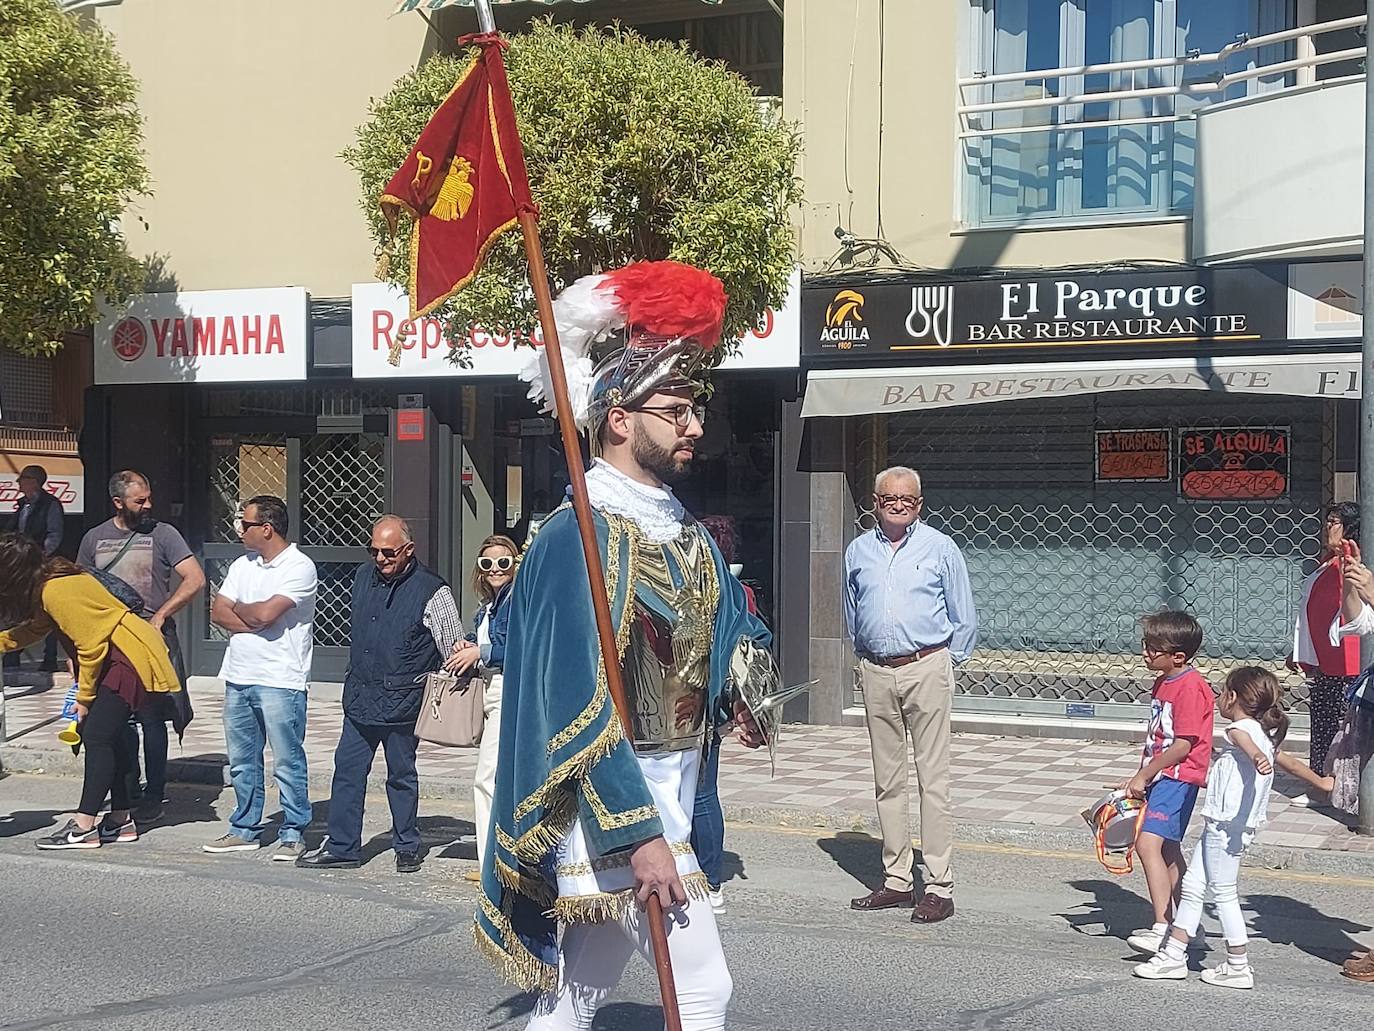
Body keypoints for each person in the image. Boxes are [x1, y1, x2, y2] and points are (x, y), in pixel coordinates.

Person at [473, 261, 772, 1030]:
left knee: (578, 990)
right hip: (616, 807)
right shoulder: (576, 535)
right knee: (705, 989)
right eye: (676, 410)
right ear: (618, 417)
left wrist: (747, 675)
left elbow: (729, 622)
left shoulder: (685, 529)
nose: (695, 426)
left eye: (693, 410)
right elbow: (573, 697)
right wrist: (637, 833)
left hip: (675, 781)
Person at [842, 466, 977, 924]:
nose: (899, 505)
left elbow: (964, 614)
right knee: (888, 782)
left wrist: (946, 663)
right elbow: (851, 609)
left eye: (908, 499)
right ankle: (897, 880)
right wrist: (865, 658)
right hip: (877, 670)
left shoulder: (940, 548)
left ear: (919, 504)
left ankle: (939, 885)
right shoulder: (858, 551)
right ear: (874, 502)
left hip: (927, 666)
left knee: (933, 782)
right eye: (889, 498)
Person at [297, 515, 460, 874]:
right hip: (360, 697)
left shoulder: (433, 589)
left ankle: (407, 846)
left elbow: (451, 648)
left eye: (389, 552)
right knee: (348, 772)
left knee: (401, 775)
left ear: (409, 550)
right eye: (374, 551)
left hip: (403, 700)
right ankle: (342, 847)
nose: (381, 559)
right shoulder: (361, 578)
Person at [0, 533, 180, 849]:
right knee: (112, 737)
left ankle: (83, 826)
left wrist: (83, 698)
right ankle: (120, 820)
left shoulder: (56, 589)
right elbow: (34, 630)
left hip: (127, 658)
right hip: (123, 655)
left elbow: (90, 645)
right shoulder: (52, 583)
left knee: (96, 736)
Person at [1134, 667, 1285, 989]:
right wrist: (1320, 782)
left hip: (1226, 827)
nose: (1217, 698)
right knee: (1192, 886)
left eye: (1222, 692)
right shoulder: (1264, 734)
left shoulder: (1240, 730)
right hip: (1224, 824)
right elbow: (1285, 761)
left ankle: (1238, 964)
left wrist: (1256, 756)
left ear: (1232, 697)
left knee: (1225, 892)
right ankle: (1174, 954)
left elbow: (1242, 740)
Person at [77, 469, 205, 823]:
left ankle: (154, 792)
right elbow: (78, 588)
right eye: (140, 500)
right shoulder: (94, 539)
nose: (149, 505)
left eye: (149, 498)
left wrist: (162, 615)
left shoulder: (164, 535)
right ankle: (127, 792)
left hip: (151, 639)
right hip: (110, 641)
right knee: (117, 720)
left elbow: (195, 578)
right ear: (118, 502)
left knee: (154, 717)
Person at [204, 495, 318, 861]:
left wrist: (248, 614)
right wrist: (251, 618)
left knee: (286, 760)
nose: (240, 529)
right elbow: (217, 612)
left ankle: (293, 831)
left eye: (246, 524)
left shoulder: (299, 567)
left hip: (280, 679)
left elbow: (268, 614)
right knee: (242, 759)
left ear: (266, 528)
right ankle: (244, 828)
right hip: (239, 673)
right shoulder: (242, 564)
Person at [1123, 610, 1214, 957]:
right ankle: (1189, 924)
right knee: (1168, 849)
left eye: (1153, 648)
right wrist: (1141, 774)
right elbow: (1159, 738)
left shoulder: (1191, 687)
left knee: (1148, 845)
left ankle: (1162, 926)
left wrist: (1146, 774)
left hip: (1178, 776)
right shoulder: (1163, 682)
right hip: (1163, 776)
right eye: (1145, 645)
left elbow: (1183, 745)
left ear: (1178, 655)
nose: (1146, 653)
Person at [693, 515, 758, 916]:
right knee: (700, 794)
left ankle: (707, 877)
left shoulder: (721, 592)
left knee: (697, 795)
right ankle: (707, 877)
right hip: (705, 705)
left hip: (696, 706)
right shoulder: (733, 590)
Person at [445, 533, 518, 882]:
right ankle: (499, 857)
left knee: (486, 778)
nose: (495, 569)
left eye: (504, 562)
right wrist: (470, 644)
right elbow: (490, 641)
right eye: (487, 563)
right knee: (497, 777)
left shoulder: (516, 599)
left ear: (514, 565)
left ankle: (490, 862)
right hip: (489, 688)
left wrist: (481, 653)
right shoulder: (487, 608)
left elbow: (521, 645)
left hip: (506, 689)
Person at [1285, 502, 1361, 804]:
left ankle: (1329, 787)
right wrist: (1300, 651)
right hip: (1325, 658)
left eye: (1335, 522)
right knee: (1324, 724)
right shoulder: (1328, 561)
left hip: (1346, 660)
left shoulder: (1352, 561)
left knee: (1339, 730)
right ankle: (1321, 783)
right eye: (1328, 521)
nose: (1328, 527)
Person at [4, 464, 65, 673]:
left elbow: (54, 534)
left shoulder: (50, 505)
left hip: (40, 564)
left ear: (34, 482)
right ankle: (12, 656)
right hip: (21, 566)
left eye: (23, 479)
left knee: (45, 608)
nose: (18, 483)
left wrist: (39, 556)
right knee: (19, 608)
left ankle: (50, 658)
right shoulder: (22, 506)